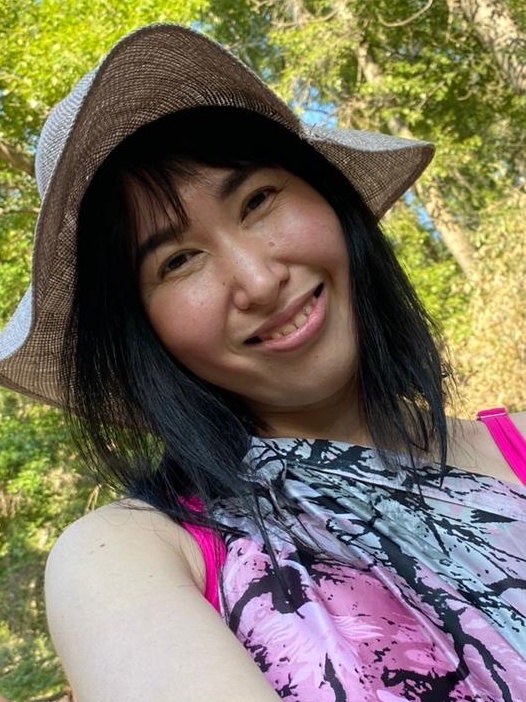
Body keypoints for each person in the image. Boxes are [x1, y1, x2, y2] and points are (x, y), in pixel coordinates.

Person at [0, 23, 525, 702]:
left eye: (257, 201)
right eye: (177, 261)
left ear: (329, 200)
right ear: (142, 335)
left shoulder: (515, 443)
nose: (258, 280)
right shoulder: (131, 558)